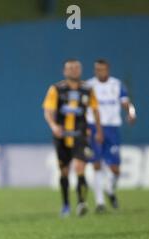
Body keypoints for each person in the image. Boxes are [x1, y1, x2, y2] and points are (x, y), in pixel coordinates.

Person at [42, 59, 103, 217]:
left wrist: (98, 130)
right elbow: (48, 110)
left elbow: (95, 111)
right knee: (64, 171)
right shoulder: (56, 89)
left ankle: (82, 203)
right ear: (64, 71)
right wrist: (54, 126)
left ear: (81, 70)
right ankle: (66, 205)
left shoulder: (87, 89)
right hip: (62, 136)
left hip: (80, 134)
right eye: (70, 68)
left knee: (80, 168)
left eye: (76, 68)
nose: (74, 71)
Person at [86, 59, 136, 212]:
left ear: (108, 69)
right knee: (97, 164)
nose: (99, 72)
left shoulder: (117, 85)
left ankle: (110, 190)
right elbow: (83, 107)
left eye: (102, 69)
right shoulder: (89, 86)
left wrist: (131, 113)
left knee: (115, 169)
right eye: (97, 69)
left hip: (112, 128)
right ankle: (100, 203)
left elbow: (126, 103)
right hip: (94, 127)